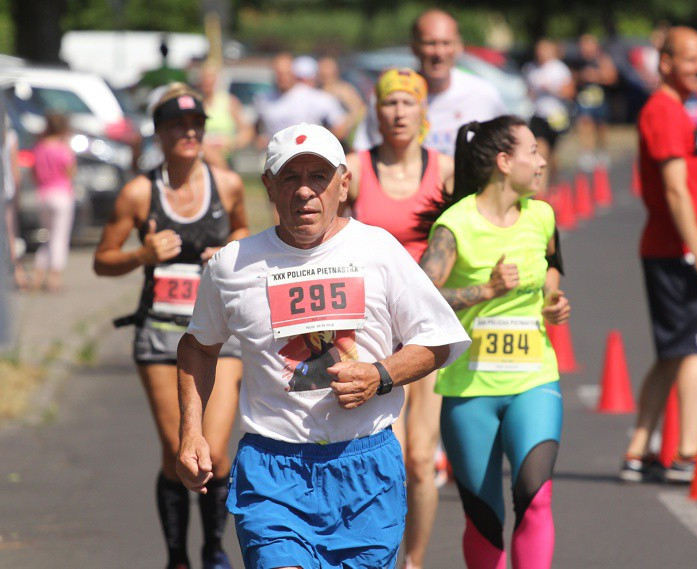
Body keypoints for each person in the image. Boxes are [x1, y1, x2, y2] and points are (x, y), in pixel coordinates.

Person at [174, 122, 470, 569]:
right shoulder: (232, 265)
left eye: (319, 176)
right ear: (268, 186)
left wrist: (380, 375)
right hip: (273, 471)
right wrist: (192, 431)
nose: (304, 191)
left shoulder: (379, 250)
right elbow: (198, 347)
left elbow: (440, 340)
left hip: (365, 469)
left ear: (344, 184)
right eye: (290, 177)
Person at [93, 83, 249, 569]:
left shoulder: (227, 184)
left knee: (215, 451)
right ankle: (178, 555)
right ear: (159, 133)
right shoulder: (139, 192)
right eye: (177, 125)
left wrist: (232, 249)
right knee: (178, 449)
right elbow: (102, 260)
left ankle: (213, 549)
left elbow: (244, 229)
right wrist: (141, 254)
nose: (189, 132)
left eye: (196, 124)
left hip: (220, 335)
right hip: (161, 334)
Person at [419, 116, 570, 569]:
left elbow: (552, 265)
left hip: (534, 380)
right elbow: (419, 297)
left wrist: (552, 301)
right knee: (484, 517)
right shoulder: (454, 225)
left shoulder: (542, 215)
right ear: (504, 162)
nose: (542, 162)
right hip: (470, 391)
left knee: (535, 497)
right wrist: (486, 290)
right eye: (533, 152)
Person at [619, 27, 697, 485]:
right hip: (675, 251)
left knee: (672, 353)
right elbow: (674, 189)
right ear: (665, 62)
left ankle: (638, 452)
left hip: (671, 249)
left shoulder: (674, 109)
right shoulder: (666, 111)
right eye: (689, 59)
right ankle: (687, 455)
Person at [345, 68, 453, 569]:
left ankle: (415, 560)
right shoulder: (355, 169)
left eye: (409, 102)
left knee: (420, 459)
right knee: (382, 454)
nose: (399, 112)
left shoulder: (445, 170)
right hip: (369, 328)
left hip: (424, 328)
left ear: (423, 110)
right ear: (377, 110)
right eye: (390, 102)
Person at [353, 9, 507, 156]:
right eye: (430, 43)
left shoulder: (483, 94)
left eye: (446, 43)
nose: (439, 53)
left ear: (459, 46)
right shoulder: (391, 96)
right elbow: (363, 154)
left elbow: (506, 147)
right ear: (414, 47)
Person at [255, 53, 348, 143]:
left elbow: (340, 126)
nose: (282, 77)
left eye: (286, 73)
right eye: (279, 73)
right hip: (273, 152)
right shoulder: (263, 99)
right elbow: (255, 127)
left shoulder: (315, 97)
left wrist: (320, 144)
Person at [31, 113, 76, 293]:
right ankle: (54, 278)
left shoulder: (39, 147)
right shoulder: (63, 148)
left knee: (47, 237)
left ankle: (38, 274)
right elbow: (71, 172)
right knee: (60, 237)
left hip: (43, 195)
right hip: (61, 194)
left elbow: (34, 173)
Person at [523, 39, 575, 192]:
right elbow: (529, 92)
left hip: (556, 116)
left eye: (545, 50)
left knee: (553, 154)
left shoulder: (559, 69)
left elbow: (570, 92)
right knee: (541, 149)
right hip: (538, 114)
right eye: (539, 50)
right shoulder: (530, 68)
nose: (541, 54)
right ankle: (541, 190)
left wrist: (552, 89)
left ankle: (554, 182)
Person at [572, 33, 618, 172]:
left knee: (601, 126)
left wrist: (595, 76)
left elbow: (612, 78)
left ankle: (602, 151)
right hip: (584, 99)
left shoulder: (602, 59)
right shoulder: (577, 61)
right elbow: (571, 78)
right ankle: (587, 153)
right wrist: (581, 77)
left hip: (600, 99)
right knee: (584, 123)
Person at [196, 63, 254, 170]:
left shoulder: (230, 102)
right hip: (200, 162)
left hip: (225, 160)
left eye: (211, 78)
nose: (207, 81)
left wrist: (231, 143)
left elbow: (247, 131)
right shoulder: (194, 103)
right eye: (205, 78)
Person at [2, 113, 26, 290]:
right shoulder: (10, 136)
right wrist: (18, 196)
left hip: (6, 191)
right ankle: (18, 272)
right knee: (10, 233)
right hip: (7, 192)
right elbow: (15, 169)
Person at [318, 56, 365, 142]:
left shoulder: (344, 90)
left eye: (328, 68)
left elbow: (360, 110)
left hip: (343, 139)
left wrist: (345, 126)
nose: (325, 71)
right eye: (322, 68)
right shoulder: (316, 91)